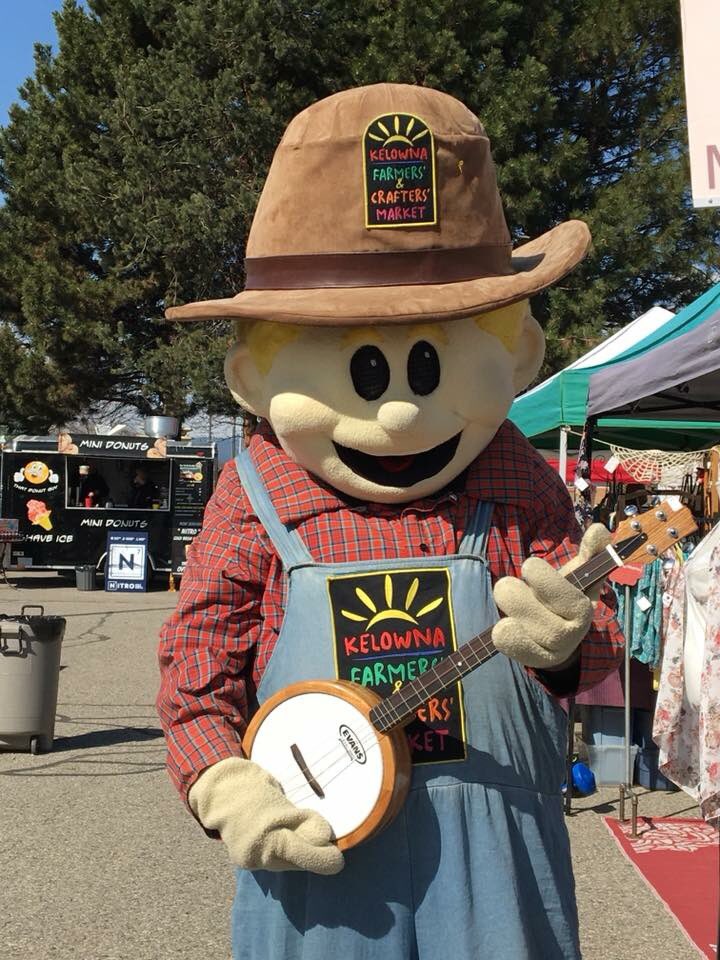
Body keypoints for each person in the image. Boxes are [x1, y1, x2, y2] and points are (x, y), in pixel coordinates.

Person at [157, 84, 624, 960]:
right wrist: (225, 786)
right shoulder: (254, 490)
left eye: (432, 359)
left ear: (514, 350)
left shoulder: (516, 476)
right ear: (255, 376)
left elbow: (593, 650)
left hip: (499, 868)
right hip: (321, 859)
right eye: (364, 367)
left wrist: (570, 643)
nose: (403, 417)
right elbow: (196, 668)